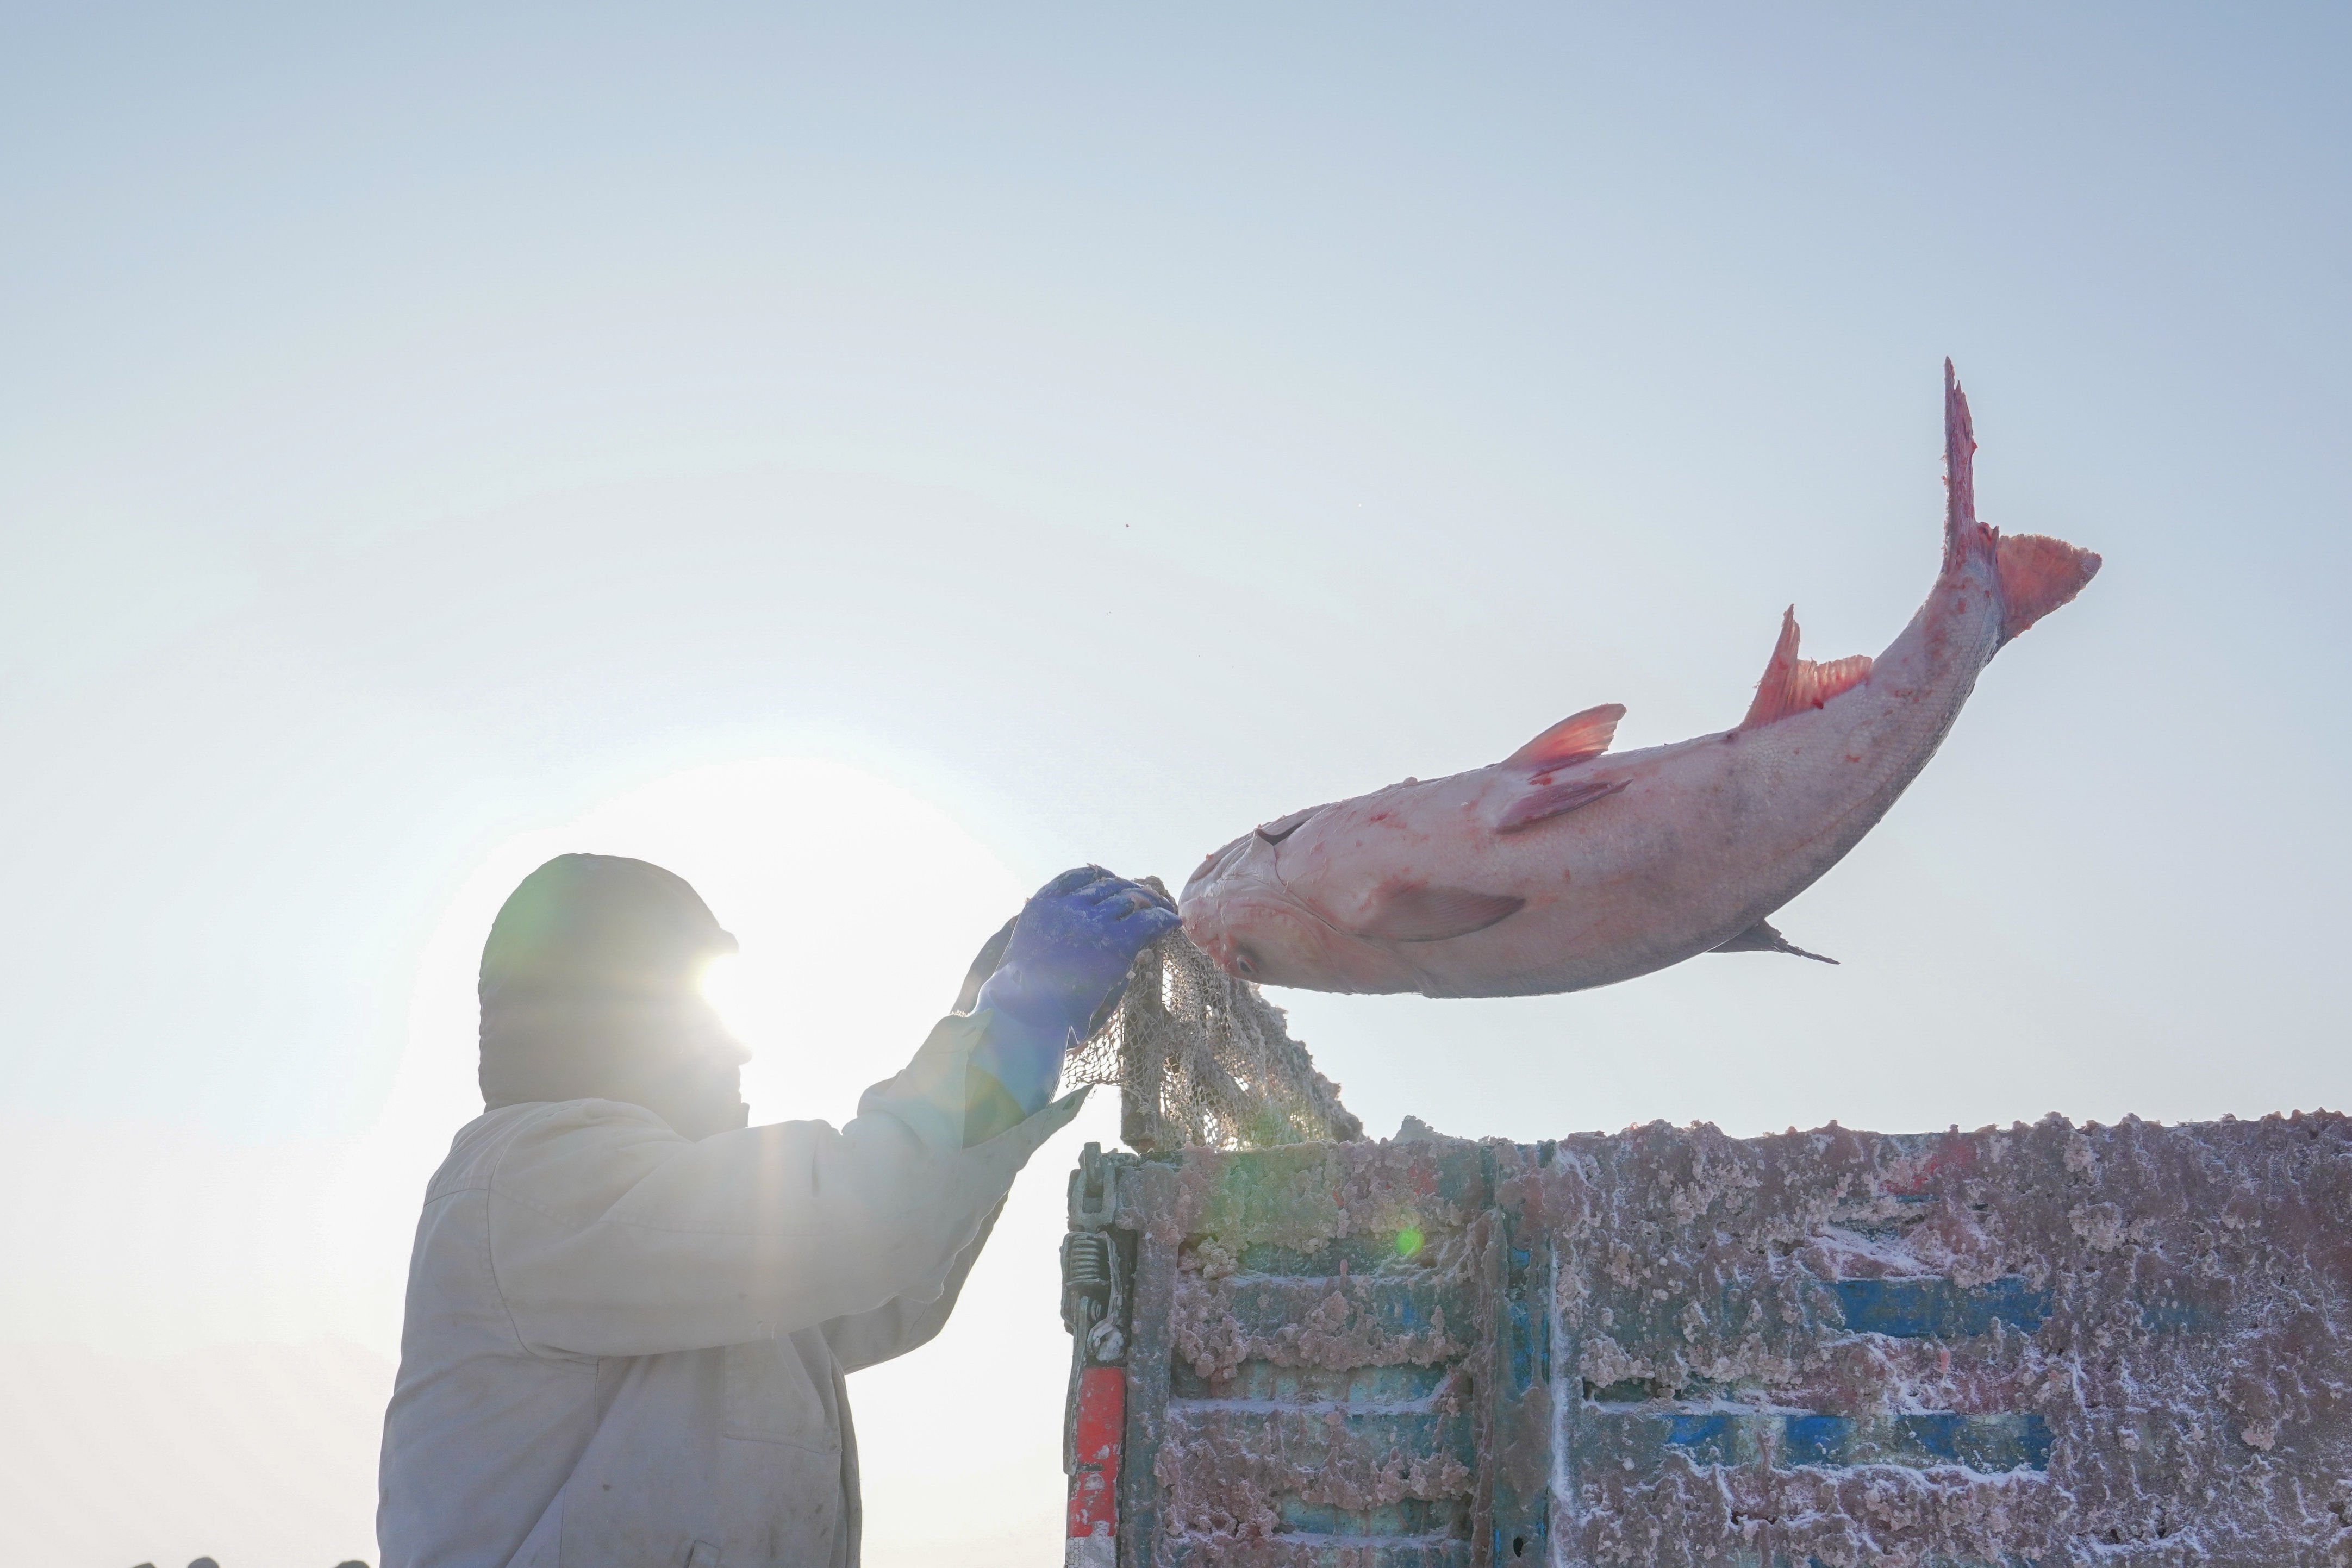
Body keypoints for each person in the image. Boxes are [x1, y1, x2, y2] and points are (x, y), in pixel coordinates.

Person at [377, 854, 1178, 1568]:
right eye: (700, 1007)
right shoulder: (527, 1183)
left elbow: (883, 1290)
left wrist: (992, 1024)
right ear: (613, 1015)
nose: (738, 1049)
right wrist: (1013, 1023)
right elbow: (864, 1221)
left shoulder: (664, 1236)